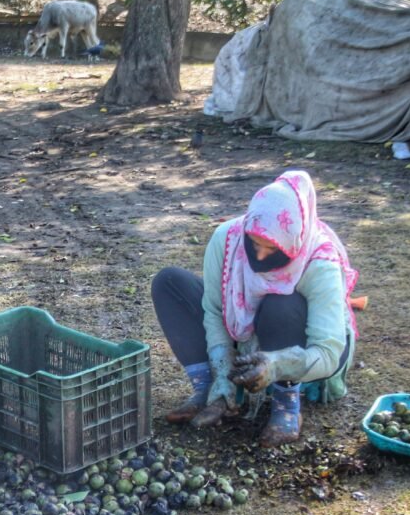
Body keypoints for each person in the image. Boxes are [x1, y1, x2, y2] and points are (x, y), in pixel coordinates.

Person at [150, 170, 359, 447]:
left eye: (271, 249)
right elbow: (214, 311)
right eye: (254, 243)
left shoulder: (319, 261)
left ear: (293, 242)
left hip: (300, 343)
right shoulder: (228, 239)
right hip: (247, 332)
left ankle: (286, 402)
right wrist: (223, 373)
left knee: (280, 303)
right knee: (169, 282)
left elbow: (328, 352)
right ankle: (209, 388)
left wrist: (277, 366)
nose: (259, 255)